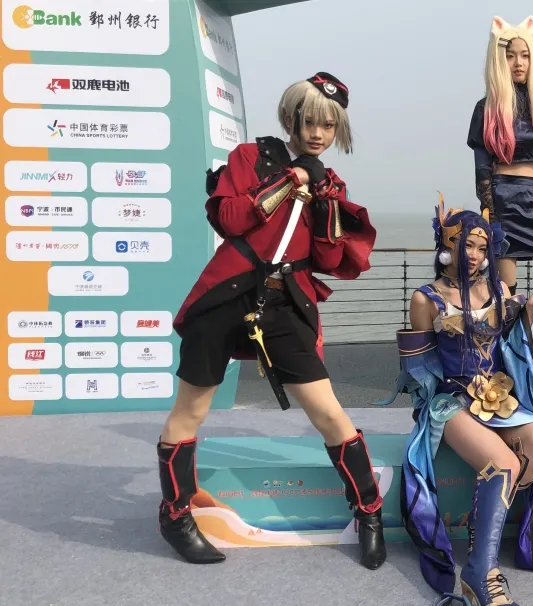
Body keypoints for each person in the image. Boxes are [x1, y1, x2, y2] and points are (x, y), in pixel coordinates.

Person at [159, 72, 387, 570]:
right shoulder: (249, 157)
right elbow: (229, 219)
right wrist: (292, 181)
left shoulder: (330, 182)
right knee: (192, 409)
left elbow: (331, 260)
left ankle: (369, 511)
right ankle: (175, 515)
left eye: (329, 125)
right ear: (290, 119)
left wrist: (326, 203)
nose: (318, 134)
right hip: (226, 295)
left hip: (284, 302)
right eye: (310, 122)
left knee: (328, 412)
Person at [379, 197, 533, 605]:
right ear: (445, 244)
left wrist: (529, 308)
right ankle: (480, 572)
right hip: (450, 403)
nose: (474, 254)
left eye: (482, 248)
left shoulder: (499, 290)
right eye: (466, 244)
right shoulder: (425, 299)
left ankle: (480, 526)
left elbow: (511, 340)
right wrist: (432, 404)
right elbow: (419, 368)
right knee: (503, 464)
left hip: (498, 398)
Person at [467, 15, 533, 348]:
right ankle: (515, 359)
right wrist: (490, 210)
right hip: (502, 200)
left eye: (525, 55)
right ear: (498, 60)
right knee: (506, 296)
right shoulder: (486, 108)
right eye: (510, 55)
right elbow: (482, 167)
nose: (518, 62)